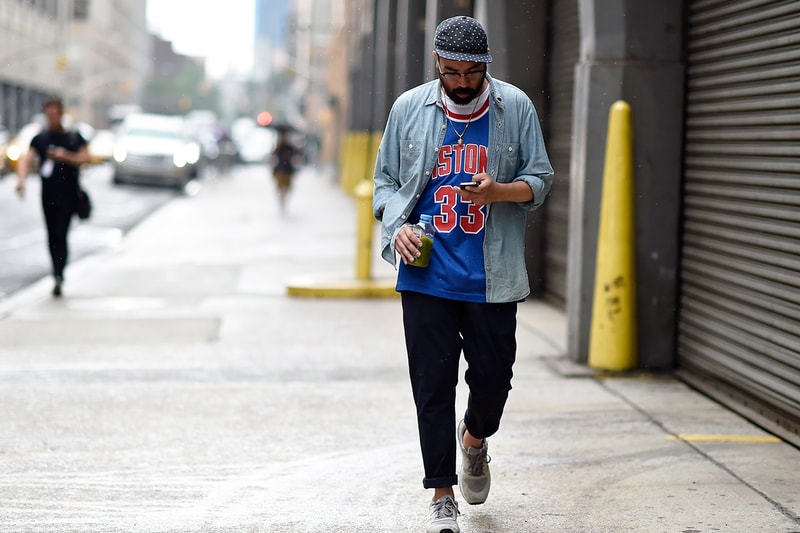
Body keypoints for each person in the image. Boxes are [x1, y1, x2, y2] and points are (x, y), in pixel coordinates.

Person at [372, 16, 553, 533]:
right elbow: (384, 186)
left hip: (492, 276)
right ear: (437, 64)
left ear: (486, 64)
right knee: (431, 385)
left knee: (495, 380)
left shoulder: (514, 107)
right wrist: (397, 228)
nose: (462, 81)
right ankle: (441, 493)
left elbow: (540, 179)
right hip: (426, 275)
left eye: (472, 71)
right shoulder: (409, 108)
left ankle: (474, 440)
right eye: (451, 71)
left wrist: (500, 192)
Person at [16, 96, 92, 297]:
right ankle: (56, 272)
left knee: (61, 233)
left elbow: (87, 157)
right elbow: (27, 159)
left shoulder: (74, 137)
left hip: (69, 195)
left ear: (61, 114)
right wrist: (21, 180)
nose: (52, 117)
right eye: (49, 114)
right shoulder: (40, 138)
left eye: (55, 113)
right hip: (48, 194)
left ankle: (59, 273)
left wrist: (65, 156)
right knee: (51, 235)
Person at [271, 129, 300, 212]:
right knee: (281, 187)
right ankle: (282, 200)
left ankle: (283, 200)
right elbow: (273, 157)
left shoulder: (290, 147)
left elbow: (296, 157)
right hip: (280, 170)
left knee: (286, 187)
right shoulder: (278, 147)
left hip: (287, 170)